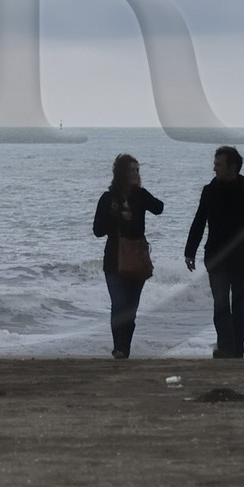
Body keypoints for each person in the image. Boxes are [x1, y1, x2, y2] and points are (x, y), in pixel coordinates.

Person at [184, 145, 244, 358]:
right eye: (215, 164)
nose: (214, 169)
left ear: (232, 167)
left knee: (240, 307)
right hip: (217, 258)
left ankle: (236, 349)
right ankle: (226, 347)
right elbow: (199, 222)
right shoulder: (209, 191)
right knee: (221, 304)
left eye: (218, 165)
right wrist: (190, 251)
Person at [92, 153, 164, 359]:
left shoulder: (140, 195)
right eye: (131, 170)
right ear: (120, 173)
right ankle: (119, 348)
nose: (135, 174)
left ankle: (125, 348)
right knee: (119, 304)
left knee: (130, 308)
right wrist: (115, 218)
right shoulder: (107, 199)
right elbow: (97, 230)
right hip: (114, 259)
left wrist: (140, 194)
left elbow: (159, 208)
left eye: (137, 170)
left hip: (136, 258)